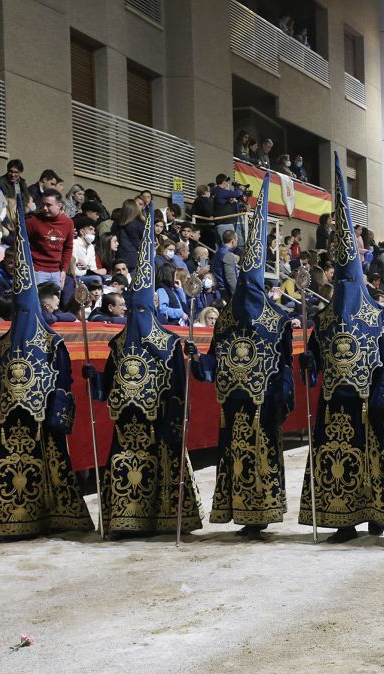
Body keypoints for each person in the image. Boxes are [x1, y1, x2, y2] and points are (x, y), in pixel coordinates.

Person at [298, 154, 384, 542]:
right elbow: (313, 356)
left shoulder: (378, 316)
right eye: (337, 282)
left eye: (348, 281)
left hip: (365, 403)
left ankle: (376, 516)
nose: (342, 289)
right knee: (335, 461)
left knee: (371, 459)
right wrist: (309, 360)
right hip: (332, 405)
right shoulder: (324, 318)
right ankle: (342, 520)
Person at [0, 199, 93, 539]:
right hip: (9, 422)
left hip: (42, 423)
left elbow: (64, 383)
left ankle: (54, 518)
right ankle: (8, 520)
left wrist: (58, 411)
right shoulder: (3, 344)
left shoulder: (54, 343)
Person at [82, 202, 204, 536]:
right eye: (130, 309)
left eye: (141, 309)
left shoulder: (168, 343)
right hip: (126, 425)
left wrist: (178, 420)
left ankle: (165, 519)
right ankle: (123, 521)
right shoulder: (118, 345)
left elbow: (178, 388)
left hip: (159, 423)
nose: (134, 316)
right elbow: (106, 386)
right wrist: (94, 380)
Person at [190, 174, 295, 539]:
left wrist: (283, 395)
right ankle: (238, 511)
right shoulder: (226, 320)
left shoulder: (278, 320)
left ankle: (262, 513)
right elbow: (214, 361)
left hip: (263, 404)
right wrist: (197, 360)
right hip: (232, 404)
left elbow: (284, 364)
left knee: (262, 455)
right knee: (234, 456)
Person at [25, 189, 73, 287]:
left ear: (59, 206)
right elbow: (22, 244)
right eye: (43, 204)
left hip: (57, 271)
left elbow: (68, 248)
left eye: (48, 205)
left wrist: (64, 270)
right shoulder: (32, 221)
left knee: (54, 301)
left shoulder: (68, 223)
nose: (45, 208)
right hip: (37, 270)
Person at [211, 229, 239, 301]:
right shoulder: (228, 255)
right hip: (224, 292)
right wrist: (236, 294)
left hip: (217, 289)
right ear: (233, 241)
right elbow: (230, 277)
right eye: (237, 240)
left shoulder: (217, 252)